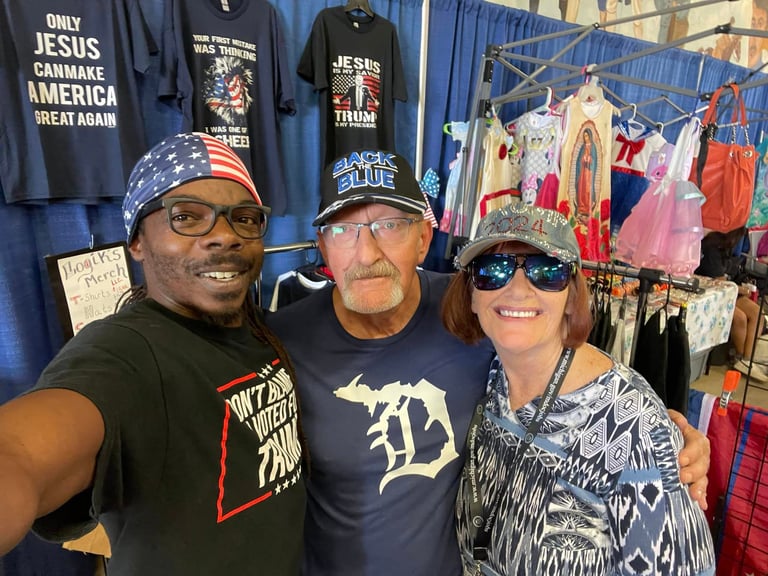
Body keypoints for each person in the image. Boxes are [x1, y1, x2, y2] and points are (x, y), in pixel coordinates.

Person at [266, 148, 711, 576]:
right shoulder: (281, 342)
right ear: (322, 245)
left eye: (390, 226)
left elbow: (576, 369)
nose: (366, 253)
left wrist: (656, 432)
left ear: (423, 239)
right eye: (343, 230)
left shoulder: (475, 318)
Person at [0, 133, 306, 574]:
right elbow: (21, 451)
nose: (224, 236)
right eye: (186, 217)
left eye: (244, 218)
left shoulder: (264, 330)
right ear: (137, 242)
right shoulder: (126, 352)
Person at [441, 202, 716, 575]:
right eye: (493, 270)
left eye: (546, 271)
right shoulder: (488, 377)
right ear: (472, 295)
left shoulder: (630, 426)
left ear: (571, 296)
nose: (517, 290)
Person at [695, 227, 767, 382]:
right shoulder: (712, 248)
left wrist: (743, 287)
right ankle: (740, 358)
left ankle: (748, 359)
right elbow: (719, 282)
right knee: (740, 318)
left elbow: (733, 276)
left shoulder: (732, 251)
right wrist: (741, 289)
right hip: (712, 292)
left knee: (758, 314)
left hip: (730, 290)